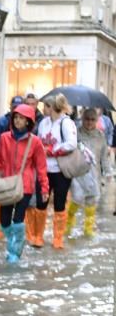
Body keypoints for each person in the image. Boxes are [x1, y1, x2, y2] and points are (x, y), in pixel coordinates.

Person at [0, 104, 48, 264]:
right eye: (16, 117)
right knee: (4, 220)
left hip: (25, 187)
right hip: (7, 185)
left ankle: (15, 251)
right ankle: (13, 242)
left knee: (18, 219)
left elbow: (41, 167)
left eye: (21, 118)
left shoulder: (35, 142)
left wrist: (44, 188)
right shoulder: (4, 138)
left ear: (28, 121)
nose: (17, 121)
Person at [35, 93, 79, 249]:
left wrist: (54, 150)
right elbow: (38, 140)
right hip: (43, 170)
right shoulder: (43, 123)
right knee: (41, 202)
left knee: (59, 203)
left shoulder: (66, 123)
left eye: (45, 106)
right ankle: (38, 236)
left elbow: (72, 143)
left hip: (60, 170)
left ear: (51, 107)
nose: (43, 109)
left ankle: (58, 238)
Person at [67, 107, 112, 238]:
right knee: (76, 200)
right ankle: (68, 226)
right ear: (82, 119)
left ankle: (88, 229)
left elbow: (104, 157)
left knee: (92, 201)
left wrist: (108, 172)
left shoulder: (100, 136)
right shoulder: (76, 134)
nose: (89, 122)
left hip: (94, 174)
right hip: (78, 174)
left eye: (92, 119)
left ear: (97, 120)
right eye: (87, 119)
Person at [0, 96, 25, 240]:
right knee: (2, 196)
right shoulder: (2, 122)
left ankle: (15, 232)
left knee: (18, 197)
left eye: (19, 107)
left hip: (19, 170)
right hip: (3, 167)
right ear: (10, 108)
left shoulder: (26, 126)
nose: (16, 110)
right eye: (14, 107)